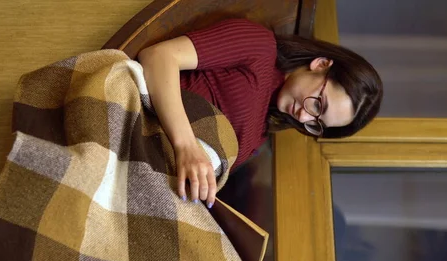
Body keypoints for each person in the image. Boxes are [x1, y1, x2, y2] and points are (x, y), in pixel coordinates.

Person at [138, 18, 383, 209]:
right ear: (320, 65)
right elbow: (158, 56)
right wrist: (186, 146)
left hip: (154, 178)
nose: (304, 117)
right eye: (318, 105)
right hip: (139, 125)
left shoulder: (260, 134)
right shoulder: (260, 48)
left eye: (316, 123)